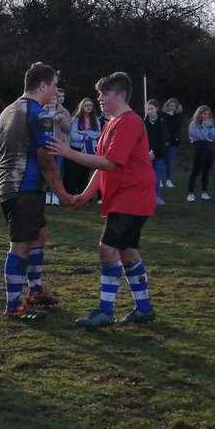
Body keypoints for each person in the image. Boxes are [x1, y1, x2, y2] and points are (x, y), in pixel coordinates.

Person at [49, 72, 157, 329]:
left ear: (120, 95)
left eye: (104, 93)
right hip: (125, 196)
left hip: (133, 196)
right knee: (127, 251)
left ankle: (105, 311)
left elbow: (108, 163)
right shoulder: (111, 122)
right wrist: (85, 196)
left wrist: (68, 152)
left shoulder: (129, 122)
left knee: (107, 248)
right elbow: (101, 166)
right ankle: (144, 309)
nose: (99, 98)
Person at [0, 62, 75, 320]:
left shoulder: (8, 110)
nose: (55, 91)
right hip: (24, 187)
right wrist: (63, 193)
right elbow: (45, 159)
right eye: (54, 85)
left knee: (39, 233)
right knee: (19, 246)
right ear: (42, 85)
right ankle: (14, 305)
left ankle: (36, 290)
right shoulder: (39, 114)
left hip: (7, 184)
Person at [66, 97, 102, 196]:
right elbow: (74, 135)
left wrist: (84, 133)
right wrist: (86, 137)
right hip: (76, 149)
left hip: (89, 150)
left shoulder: (95, 119)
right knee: (74, 173)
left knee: (85, 173)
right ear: (82, 106)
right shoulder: (76, 119)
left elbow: (97, 134)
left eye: (90, 105)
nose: (88, 107)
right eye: (86, 105)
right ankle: (71, 194)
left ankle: (83, 195)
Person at [185, 106, 215, 201]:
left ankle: (204, 192)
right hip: (199, 147)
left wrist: (209, 126)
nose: (206, 116)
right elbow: (201, 136)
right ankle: (190, 194)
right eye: (204, 114)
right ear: (199, 114)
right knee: (195, 171)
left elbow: (214, 135)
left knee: (206, 172)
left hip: (209, 147)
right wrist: (204, 125)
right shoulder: (193, 124)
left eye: (208, 114)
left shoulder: (209, 123)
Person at [143, 100, 169, 205]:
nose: (150, 111)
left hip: (158, 154)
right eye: (148, 109)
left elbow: (162, 139)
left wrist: (153, 152)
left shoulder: (162, 122)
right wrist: (147, 152)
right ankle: (146, 197)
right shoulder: (143, 122)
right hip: (146, 154)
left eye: (152, 109)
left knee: (157, 176)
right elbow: (143, 138)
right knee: (146, 177)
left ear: (157, 109)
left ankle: (156, 197)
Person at [161, 98, 184, 188]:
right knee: (161, 160)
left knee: (169, 160)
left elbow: (175, 127)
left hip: (173, 141)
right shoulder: (163, 115)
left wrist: (171, 117)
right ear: (167, 106)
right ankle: (159, 180)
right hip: (163, 141)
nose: (172, 107)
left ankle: (169, 180)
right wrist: (167, 116)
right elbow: (162, 125)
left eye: (174, 106)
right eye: (170, 106)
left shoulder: (179, 115)